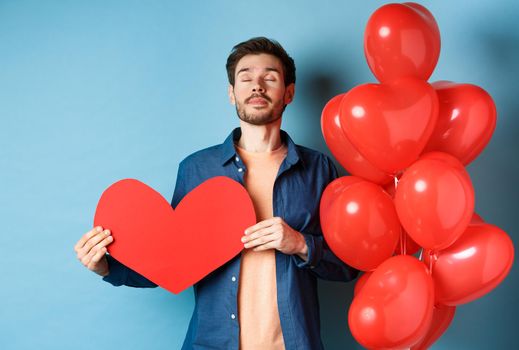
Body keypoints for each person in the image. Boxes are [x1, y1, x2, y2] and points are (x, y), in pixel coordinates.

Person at [74, 37, 358, 350]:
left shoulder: (318, 169)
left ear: (288, 92)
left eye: (270, 78)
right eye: (246, 78)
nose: (257, 86)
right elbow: (168, 263)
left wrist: (300, 244)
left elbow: (348, 265)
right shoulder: (197, 169)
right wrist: (106, 267)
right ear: (231, 93)